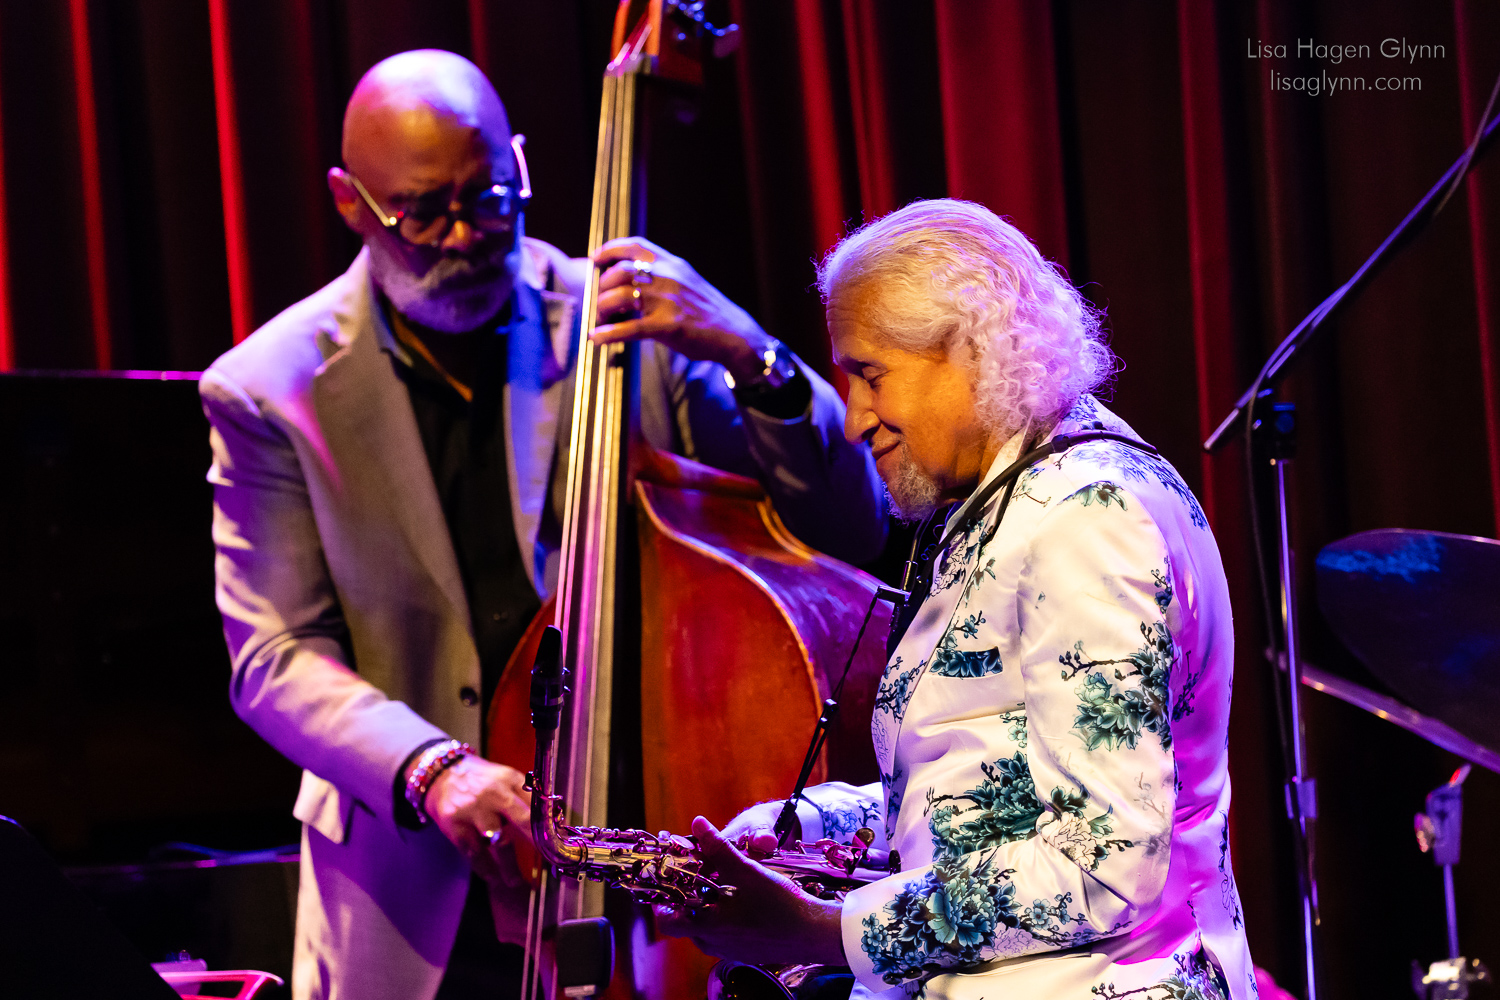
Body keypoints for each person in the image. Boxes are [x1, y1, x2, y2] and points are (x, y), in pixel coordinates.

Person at [199, 49, 885, 1000]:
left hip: (650, 881)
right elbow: (273, 655)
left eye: (490, 196)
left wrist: (750, 351)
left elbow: (852, 518)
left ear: (519, 161)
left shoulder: (624, 325)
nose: (465, 236)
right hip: (414, 901)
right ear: (351, 202)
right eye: (422, 210)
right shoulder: (266, 387)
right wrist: (431, 767)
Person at [657, 199, 1256, 1000]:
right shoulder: (1023, 494)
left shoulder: (1083, 518)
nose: (854, 421)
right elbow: (993, 785)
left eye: (870, 375)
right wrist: (810, 830)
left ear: (973, 348)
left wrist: (818, 931)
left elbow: (1102, 866)